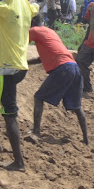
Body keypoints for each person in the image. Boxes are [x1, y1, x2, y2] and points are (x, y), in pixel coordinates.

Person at [1, 0, 43, 171]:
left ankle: (19, 162)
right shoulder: (26, 6)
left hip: (5, 69)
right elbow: (42, 0)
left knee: (10, 114)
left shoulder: (5, 7)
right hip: (19, 67)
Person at [28, 16, 88, 145]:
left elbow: (19, 43)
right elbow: (41, 58)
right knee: (77, 107)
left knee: (38, 98)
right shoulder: (50, 31)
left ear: (31, 22)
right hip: (74, 67)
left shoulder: (34, 30)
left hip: (63, 69)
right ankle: (86, 139)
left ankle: (36, 132)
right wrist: (26, 63)